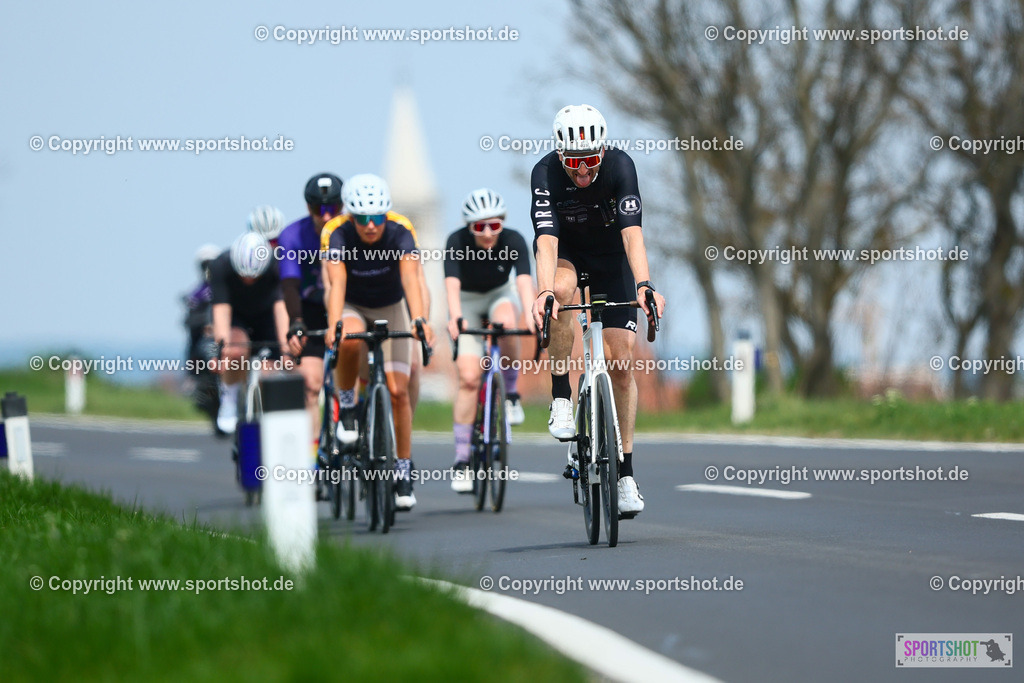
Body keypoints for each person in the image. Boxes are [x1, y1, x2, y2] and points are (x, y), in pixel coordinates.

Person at [530, 104, 666, 517]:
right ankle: (560, 397)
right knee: (561, 290)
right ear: (560, 155)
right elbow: (547, 244)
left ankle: (624, 475)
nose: (583, 170)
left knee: (622, 361)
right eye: (574, 162)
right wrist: (543, 292)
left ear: (602, 152)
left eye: (590, 160)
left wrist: (644, 285)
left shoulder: (621, 166)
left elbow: (633, 236)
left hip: (612, 259)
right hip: (568, 256)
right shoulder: (545, 173)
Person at [324, 174, 434, 512]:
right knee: (350, 339)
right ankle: (348, 408)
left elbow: (412, 278)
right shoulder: (337, 232)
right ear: (351, 216)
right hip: (353, 304)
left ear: (386, 213)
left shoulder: (400, 229)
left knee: (399, 391)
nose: (370, 226)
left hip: (390, 306)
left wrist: (420, 320)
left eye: (376, 218)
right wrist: (333, 326)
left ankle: (402, 470)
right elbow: (336, 282)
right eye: (362, 219)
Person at [445, 188, 535, 492]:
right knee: (469, 378)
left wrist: (533, 314)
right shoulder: (456, 242)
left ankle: (510, 394)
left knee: (508, 322)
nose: (486, 233)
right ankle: (461, 460)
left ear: (503, 224)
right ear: (468, 227)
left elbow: (523, 283)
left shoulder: (514, 240)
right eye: (479, 227)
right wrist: (455, 318)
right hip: (468, 301)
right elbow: (452, 287)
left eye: (494, 226)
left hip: (499, 295)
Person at [278, 173, 344, 455]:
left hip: (345, 307)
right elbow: (289, 285)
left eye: (333, 209)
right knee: (310, 382)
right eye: (319, 209)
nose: (327, 215)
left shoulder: (352, 232)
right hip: (310, 312)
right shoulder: (292, 236)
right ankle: (312, 455)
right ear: (308, 208)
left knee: (351, 375)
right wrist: (296, 323)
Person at [208, 231, 290, 433]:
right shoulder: (220, 266)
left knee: (270, 373)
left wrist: (286, 349)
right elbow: (221, 311)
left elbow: (281, 309)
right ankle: (229, 397)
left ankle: (269, 417)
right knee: (234, 352)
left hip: (267, 317)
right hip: (238, 317)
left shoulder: (276, 266)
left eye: (254, 277)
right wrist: (222, 352)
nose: (248, 281)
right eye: (243, 276)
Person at [184, 243, 222, 433]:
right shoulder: (198, 291)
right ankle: (192, 375)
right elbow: (190, 310)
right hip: (204, 344)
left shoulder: (222, 287)